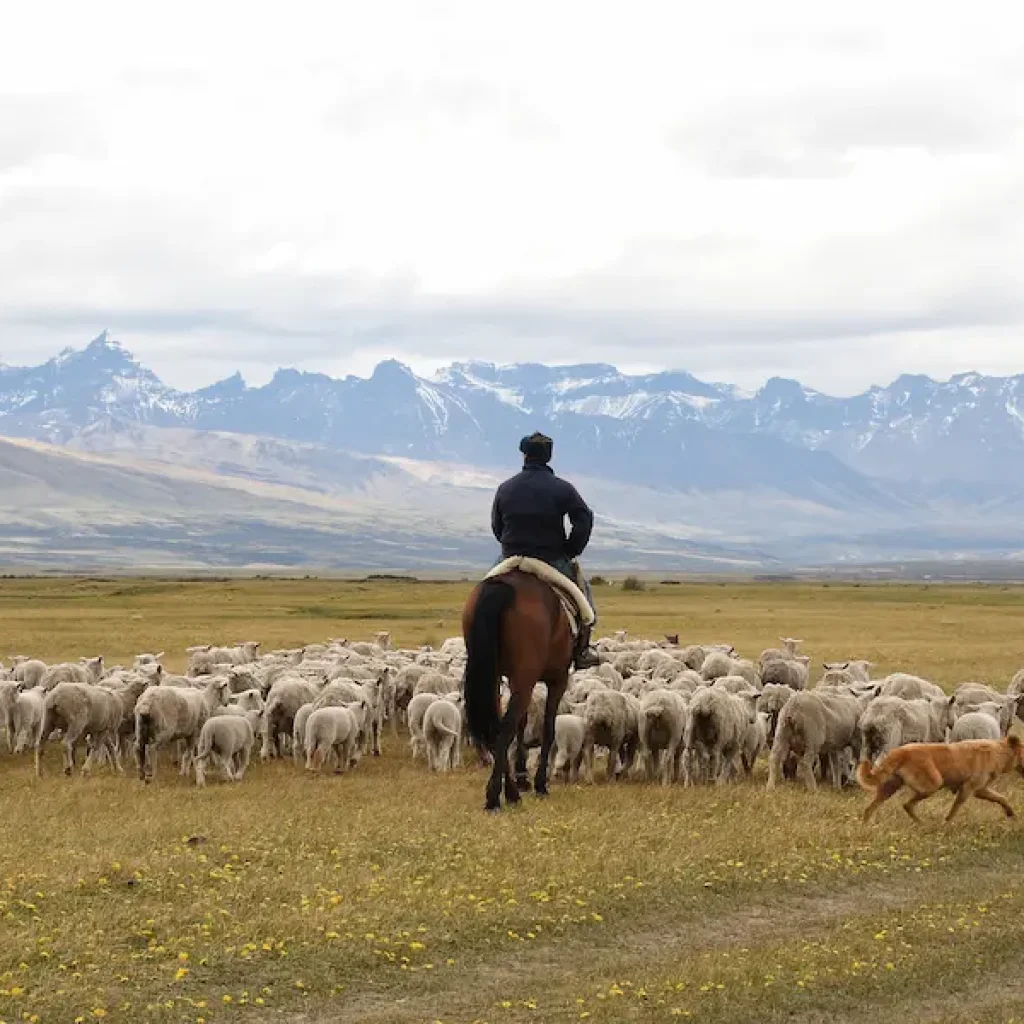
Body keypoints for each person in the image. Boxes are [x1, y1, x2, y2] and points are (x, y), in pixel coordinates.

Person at [491, 431, 600, 670]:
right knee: (585, 602)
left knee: (483, 594)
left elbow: (497, 526)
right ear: (548, 457)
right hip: (550, 559)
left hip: (510, 558)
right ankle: (582, 650)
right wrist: (571, 550)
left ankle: (477, 650)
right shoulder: (562, 489)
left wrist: (511, 546)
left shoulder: (505, 488)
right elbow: (584, 519)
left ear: (524, 455)